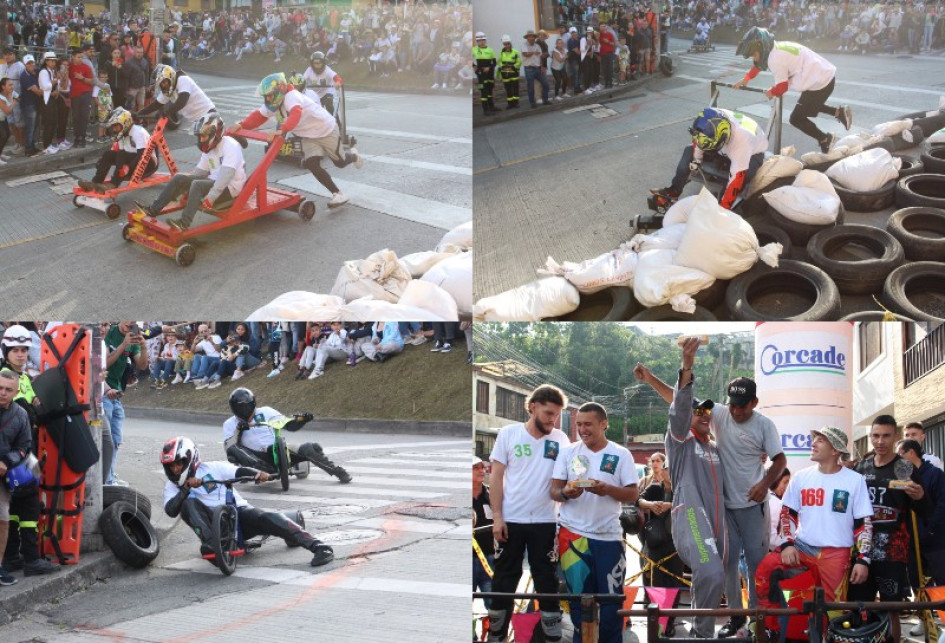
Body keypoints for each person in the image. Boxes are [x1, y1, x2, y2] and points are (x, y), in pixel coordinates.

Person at [635, 366, 786, 637]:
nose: (735, 410)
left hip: (738, 512)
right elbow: (679, 402)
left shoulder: (728, 440)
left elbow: (778, 460)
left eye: (742, 405)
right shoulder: (692, 432)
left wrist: (763, 481)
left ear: (754, 403)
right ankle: (719, 624)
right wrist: (656, 377)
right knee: (718, 569)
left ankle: (754, 622)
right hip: (707, 513)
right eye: (732, 404)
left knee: (746, 568)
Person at [755, 427, 873, 639]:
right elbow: (788, 513)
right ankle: (770, 629)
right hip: (802, 549)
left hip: (836, 555)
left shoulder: (855, 480)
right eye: (814, 438)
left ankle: (827, 638)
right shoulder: (801, 477)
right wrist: (787, 544)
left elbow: (863, 523)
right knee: (766, 570)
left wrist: (863, 559)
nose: (813, 443)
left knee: (833, 610)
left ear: (835, 450)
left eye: (820, 440)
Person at [160, 436, 334, 567]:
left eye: (179, 463)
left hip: (240, 514)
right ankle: (212, 544)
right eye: (171, 466)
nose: (175, 469)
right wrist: (185, 489)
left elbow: (239, 471)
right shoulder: (172, 486)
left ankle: (319, 546)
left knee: (267, 517)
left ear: (190, 458)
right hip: (213, 527)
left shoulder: (212, 468)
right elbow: (170, 510)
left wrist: (258, 474)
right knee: (187, 504)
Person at [652, 337, 726, 639]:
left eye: (708, 412)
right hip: (691, 516)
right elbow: (679, 410)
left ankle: (700, 632)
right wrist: (687, 365)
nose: (704, 415)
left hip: (719, 521)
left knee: (710, 577)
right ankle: (702, 633)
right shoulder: (680, 442)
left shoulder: (716, 449)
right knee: (711, 573)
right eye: (699, 412)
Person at [488, 384, 571, 643]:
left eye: (557, 415)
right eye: (548, 413)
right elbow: (496, 477)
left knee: (546, 580)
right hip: (511, 520)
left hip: (546, 521)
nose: (553, 420)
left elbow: (569, 477)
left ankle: (552, 637)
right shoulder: (508, 434)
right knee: (504, 580)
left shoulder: (561, 439)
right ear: (533, 407)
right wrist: (497, 517)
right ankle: (496, 636)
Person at [552, 402, 639, 643]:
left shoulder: (621, 454)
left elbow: (633, 493)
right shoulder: (567, 452)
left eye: (588, 424)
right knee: (579, 603)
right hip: (572, 536)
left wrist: (608, 489)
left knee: (611, 603)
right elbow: (554, 490)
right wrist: (566, 492)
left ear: (604, 424)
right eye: (579, 424)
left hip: (609, 537)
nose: (582, 429)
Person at [848, 415, 931, 641]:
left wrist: (920, 496)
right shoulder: (861, 467)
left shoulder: (905, 467)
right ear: (870, 436)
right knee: (859, 606)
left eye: (886, 436)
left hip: (893, 551)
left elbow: (925, 510)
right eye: (875, 436)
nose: (880, 441)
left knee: (891, 607)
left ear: (896, 436)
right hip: (861, 550)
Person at [229, 72, 362, 209]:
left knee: (340, 162)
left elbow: (295, 113)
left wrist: (282, 130)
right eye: (265, 96)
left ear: (279, 91)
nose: (267, 99)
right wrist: (241, 125)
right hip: (308, 136)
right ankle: (337, 194)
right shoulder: (274, 103)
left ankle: (353, 156)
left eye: (269, 95)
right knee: (311, 163)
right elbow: (259, 116)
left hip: (326, 130)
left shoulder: (292, 96)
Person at [733, 26, 852, 153]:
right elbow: (759, 66)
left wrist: (772, 92)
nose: (754, 59)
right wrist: (746, 79)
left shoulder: (775, 59)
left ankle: (825, 139)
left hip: (820, 82)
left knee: (796, 118)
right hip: (822, 76)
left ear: (762, 48)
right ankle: (839, 112)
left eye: (754, 55)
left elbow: (782, 87)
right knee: (808, 105)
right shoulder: (776, 48)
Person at [0, 328, 58, 577]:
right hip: (16, 453)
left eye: (24, 350)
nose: (21, 354)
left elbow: (35, 410)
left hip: (27, 451)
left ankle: (13, 557)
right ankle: (30, 559)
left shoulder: (23, 377)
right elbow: (27, 411)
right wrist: (33, 408)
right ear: (6, 351)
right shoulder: (6, 378)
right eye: (15, 350)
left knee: (20, 502)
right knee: (27, 502)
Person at [136, 114, 244, 232]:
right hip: (214, 183)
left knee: (197, 184)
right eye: (199, 136)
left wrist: (211, 197)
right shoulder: (209, 149)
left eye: (203, 136)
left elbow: (225, 177)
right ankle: (153, 209)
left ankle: (184, 223)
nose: (201, 140)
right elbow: (199, 173)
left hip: (230, 187)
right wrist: (183, 186)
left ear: (215, 134)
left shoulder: (231, 146)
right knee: (179, 177)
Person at [222, 387, 351, 483]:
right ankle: (262, 469)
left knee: (310, 448)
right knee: (233, 449)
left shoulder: (266, 411)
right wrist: (239, 430)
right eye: (239, 408)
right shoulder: (230, 423)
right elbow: (229, 447)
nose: (243, 411)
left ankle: (337, 471)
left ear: (253, 403)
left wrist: (302, 420)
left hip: (274, 450)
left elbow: (288, 425)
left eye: (245, 407)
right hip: (254, 457)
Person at [650, 106, 768, 211]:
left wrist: (722, 210)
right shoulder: (709, 119)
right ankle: (673, 191)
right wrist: (696, 160)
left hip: (753, 154)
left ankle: (720, 208)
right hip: (722, 146)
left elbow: (736, 179)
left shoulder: (742, 141)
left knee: (744, 177)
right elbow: (698, 141)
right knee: (689, 151)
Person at [897, 438, 945, 637]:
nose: (897, 459)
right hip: (911, 541)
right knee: (917, 583)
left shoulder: (935, 474)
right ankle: (924, 620)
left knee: (941, 583)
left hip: (935, 542)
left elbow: (942, 504)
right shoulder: (902, 477)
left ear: (910, 453)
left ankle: (943, 621)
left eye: (900, 454)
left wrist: (930, 529)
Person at [637, 451, 686, 635]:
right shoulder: (655, 488)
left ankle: (670, 622)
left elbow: (692, 505)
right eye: (667, 469)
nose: (669, 472)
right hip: (655, 543)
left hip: (677, 544)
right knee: (656, 584)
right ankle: (657, 622)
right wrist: (651, 505)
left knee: (674, 583)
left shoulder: (682, 490)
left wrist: (670, 505)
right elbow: (638, 500)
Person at [104, 322, 148, 487]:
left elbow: (142, 366)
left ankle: (109, 476)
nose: (128, 326)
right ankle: (106, 479)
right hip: (103, 390)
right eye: (126, 322)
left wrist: (143, 347)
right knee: (106, 439)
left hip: (117, 393)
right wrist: (123, 345)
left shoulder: (133, 339)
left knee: (116, 439)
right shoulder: (108, 332)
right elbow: (104, 364)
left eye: (132, 324)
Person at [77, 108, 156, 193]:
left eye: (116, 126)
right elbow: (121, 154)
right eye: (113, 127)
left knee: (122, 155)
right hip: (133, 161)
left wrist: (128, 167)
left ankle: (113, 183)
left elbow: (143, 155)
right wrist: (102, 162)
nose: (114, 129)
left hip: (147, 164)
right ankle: (96, 181)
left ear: (125, 123)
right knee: (108, 154)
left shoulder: (139, 132)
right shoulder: (122, 134)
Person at [0, 369, 31, 586]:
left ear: (16, 392)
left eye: (8, 390)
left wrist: (6, 462)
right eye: (0, 388)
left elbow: (24, 447)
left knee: (3, 518)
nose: (2, 392)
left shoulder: (21, 414)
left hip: (2, 473)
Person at [136, 64, 216, 126]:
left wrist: (166, 113)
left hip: (208, 113)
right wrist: (137, 114)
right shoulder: (167, 91)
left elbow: (182, 101)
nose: (163, 85)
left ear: (171, 76)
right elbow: (155, 105)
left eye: (164, 81)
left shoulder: (183, 80)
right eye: (161, 84)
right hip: (197, 120)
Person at [473, 455, 494, 609]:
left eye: (482, 467)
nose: (481, 471)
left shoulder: (491, 495)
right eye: (476, 468)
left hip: (489, 558)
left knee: (494, 604)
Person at [38, 51, 69, 155]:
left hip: (53, 99)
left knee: (53, 123)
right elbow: (45, 86)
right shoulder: (43, 72)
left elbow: (58, 85)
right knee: (48, 124)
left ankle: (49, 144)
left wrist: (57, 85)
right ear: (46, 61)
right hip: (47, 100)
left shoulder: (51, 71)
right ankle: (46, 146)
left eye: (54, 61)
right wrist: (56, 79)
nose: (53, 63)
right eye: (51, 61)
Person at [67, 47, 94, 148]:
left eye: (81, 57)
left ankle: (82, 137)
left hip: (85, 94)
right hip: (74, 96)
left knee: (84, 116)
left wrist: (82, 78)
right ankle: (76, 137)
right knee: (76, 117)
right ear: (73, 57)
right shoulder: (69, 67)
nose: (80, 59)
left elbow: (91, 81)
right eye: (78, 57)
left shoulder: (86, 67)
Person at [521, 30, 549, 108]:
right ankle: (532, 103)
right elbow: (525, 54)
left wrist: (542, 65)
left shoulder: (537, 46)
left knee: (546, 84)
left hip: (537, 68)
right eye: (529, 36)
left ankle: (545, 100)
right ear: (527, 38)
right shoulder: (524, 45)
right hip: (528, 69)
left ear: (534, 37)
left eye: (532, 36)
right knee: (530, 87)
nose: (531, 38)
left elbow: (540, 56)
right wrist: (534, 52)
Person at [473, 32, 496, 116]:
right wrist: (474, 66)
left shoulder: (490, 49)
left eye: (483, 40)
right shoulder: (474, 49)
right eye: (479, 40)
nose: (481, 42)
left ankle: (491, 107)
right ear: (477, 41)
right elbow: (468, 59)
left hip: (490, 73)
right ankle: (485, 110)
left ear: (485, 40)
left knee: (490, 90)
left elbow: (494, 62)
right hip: (480, 74)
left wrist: (489, 67)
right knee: (483, 91)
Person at [497, 35, 520, 110]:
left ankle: (516, 103)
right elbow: (499, 62)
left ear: (510, 43)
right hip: (505, 74)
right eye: (505, 44)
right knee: (508, 89)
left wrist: (513, 67)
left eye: (508, 44)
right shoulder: (502, 53)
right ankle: (510, 104)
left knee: (515, 88)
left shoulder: (515, 52)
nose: (506, 45)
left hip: (514, 73)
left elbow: (519, 62)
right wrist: (502, 67)